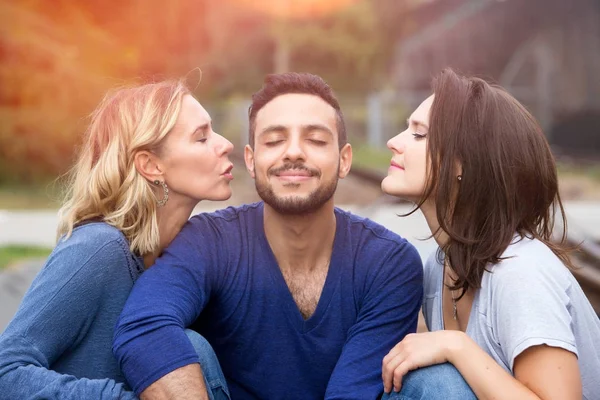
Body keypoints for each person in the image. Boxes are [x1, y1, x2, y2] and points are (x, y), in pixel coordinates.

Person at [112, 72, 424, 400]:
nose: (293, 153)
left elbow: (353, 392)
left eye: (316, 140)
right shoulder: (209, 240)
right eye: (274, 141)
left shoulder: (389, 263)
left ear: (344, 160)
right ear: (250, 160)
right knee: (189, 345)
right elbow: (144, 326)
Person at [0, 79, 234, 399]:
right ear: (151, 165)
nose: (225, 144)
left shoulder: (181, 258)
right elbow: (7, 371)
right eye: (202, 137)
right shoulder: (98, 250)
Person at [380, 68, 600, 399]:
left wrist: (457, 346)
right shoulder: (438, 268)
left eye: (418, 134)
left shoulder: (519, 271)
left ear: (462, 163)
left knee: (434, 383)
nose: (393, 142)